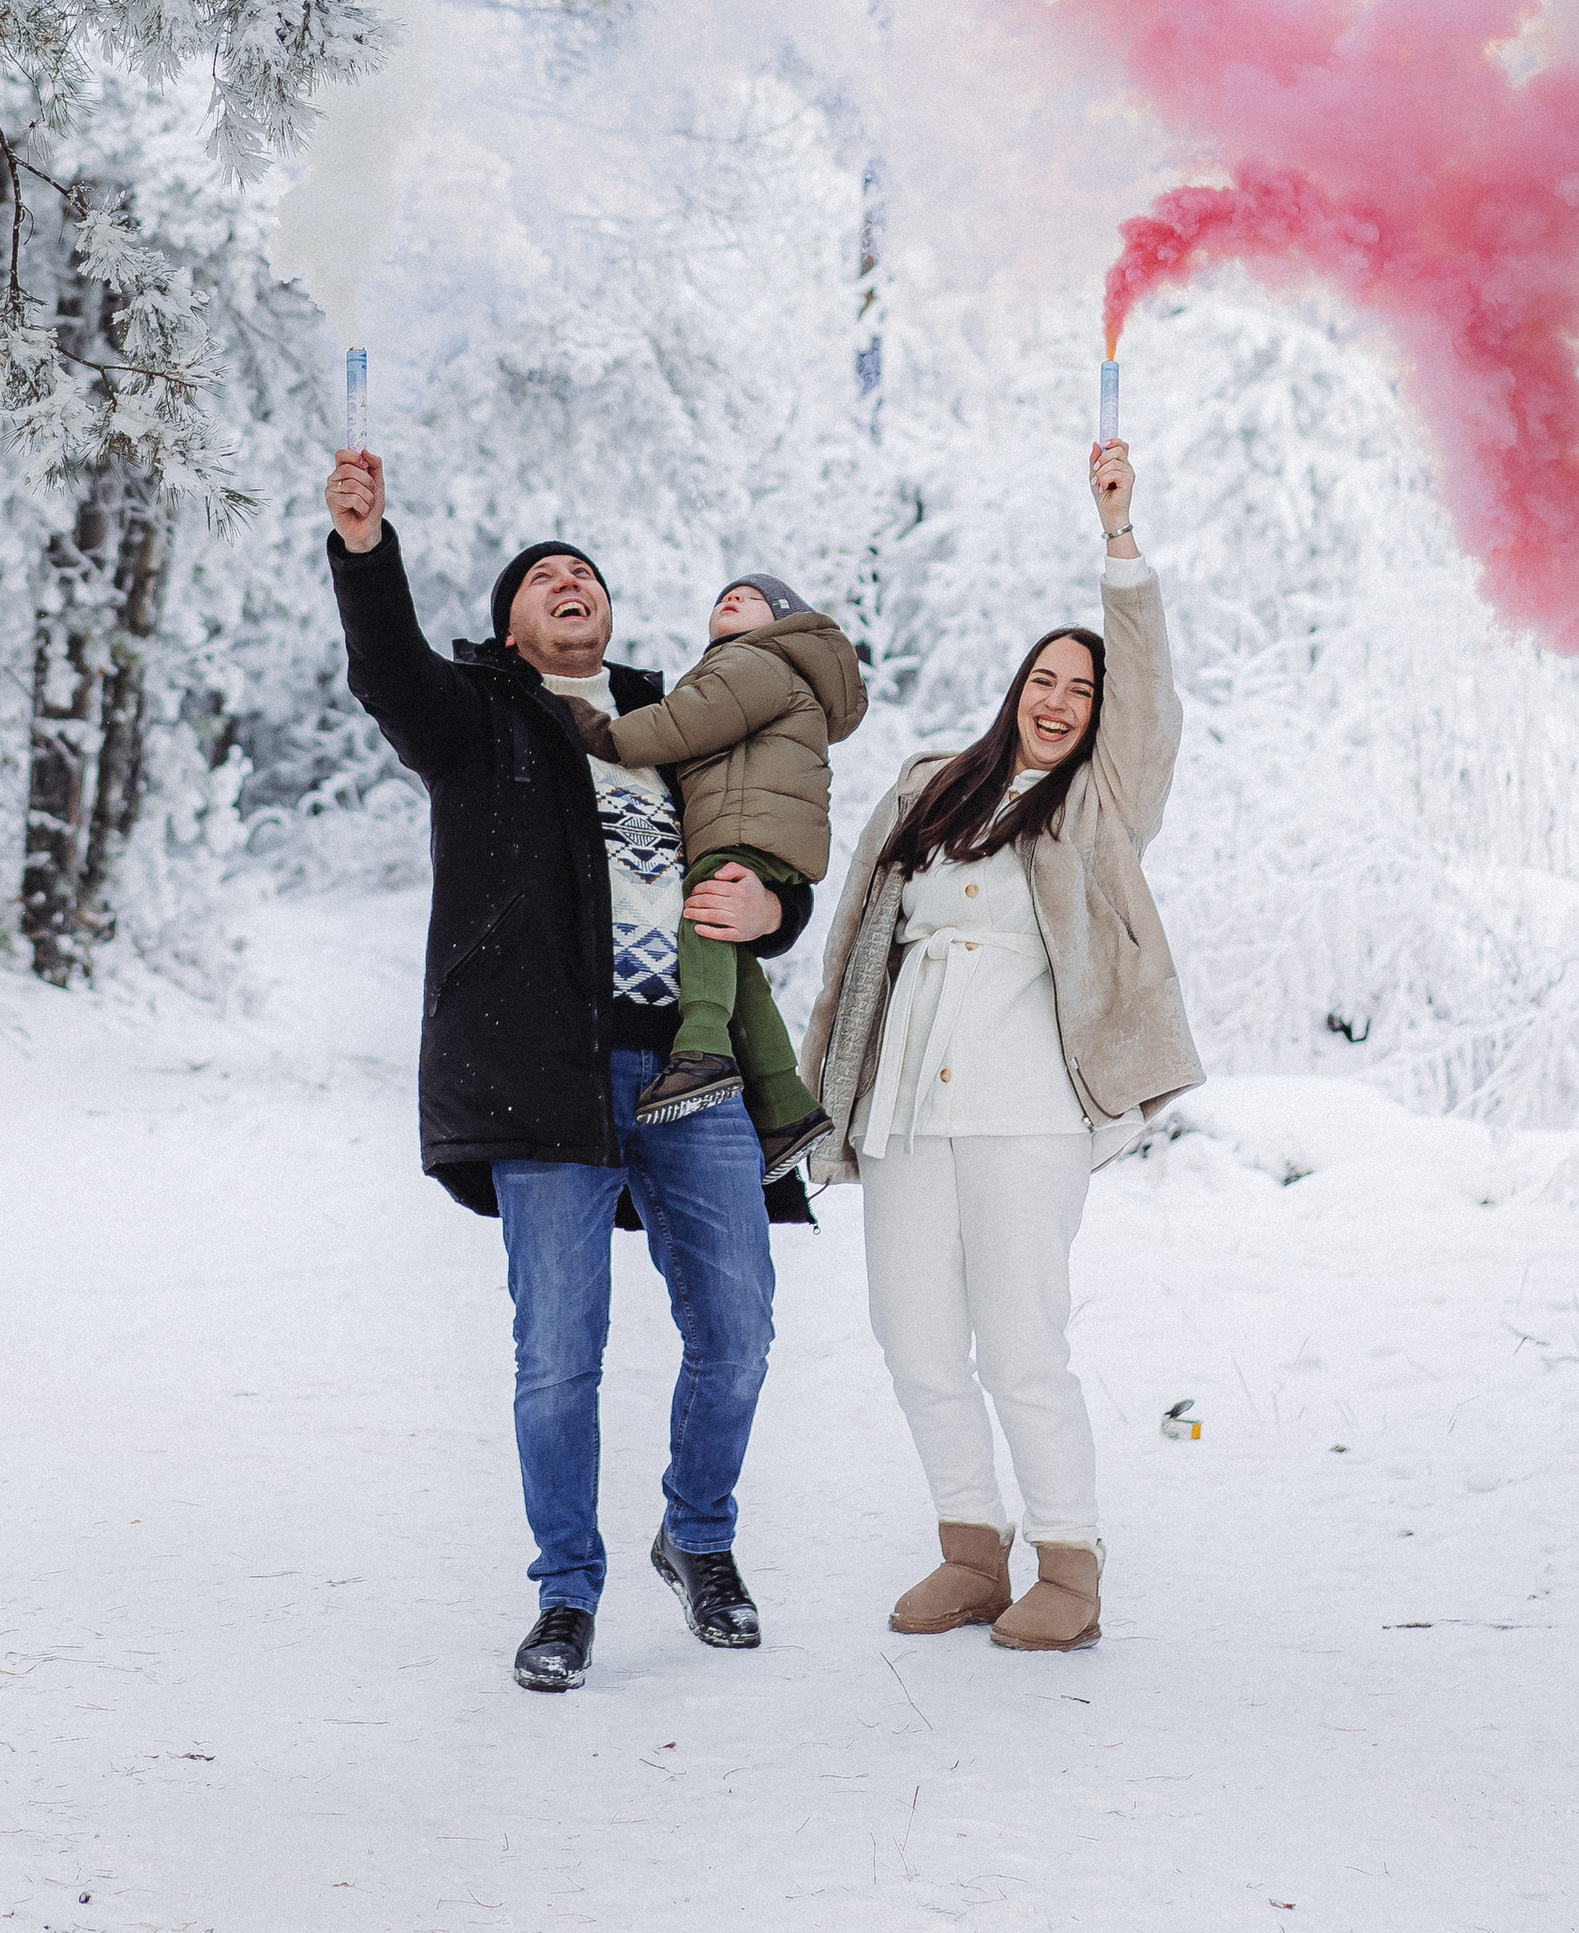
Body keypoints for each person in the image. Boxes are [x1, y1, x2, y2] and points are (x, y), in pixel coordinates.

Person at [324, 447, 813, 1696]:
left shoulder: (672, 718)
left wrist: (779, 906)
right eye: (542, 576)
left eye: (584, 572)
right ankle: (566, 1592)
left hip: (690, 1071)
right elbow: (385, 669)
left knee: (741, 1331)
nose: (567, 580)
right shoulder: (476, 722)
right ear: (508, 627)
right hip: (543, 1075)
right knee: (559, 1354)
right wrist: (367, 552)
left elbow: (772, 833)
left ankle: (696, 1537)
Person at [799, 434, 1200, 1654]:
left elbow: (1146, 693)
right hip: (906, 1108)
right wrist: (829, 1094)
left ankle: (1067, 1564)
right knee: (913, 1337)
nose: (1061, 698)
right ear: (1014, 687)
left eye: (1082, 689)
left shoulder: (1098, 809)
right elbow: (851, 951)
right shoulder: (929, 788)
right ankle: (970, 1550)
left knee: (1023, 1343)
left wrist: (1118, 546)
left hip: (1029, 1112)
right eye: (1046, 678)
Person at [584, 572, 865, 1171]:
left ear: (785, 622)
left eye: (755, 598)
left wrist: (604, 736)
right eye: (725, 596)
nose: (732, 598)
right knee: (730, 953)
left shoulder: (759, 662)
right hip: (762, 838)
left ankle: (703, 1048)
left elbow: (688, 721)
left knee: (703, 916)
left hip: (747, 832)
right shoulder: (761, 668)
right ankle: (787, 1106)